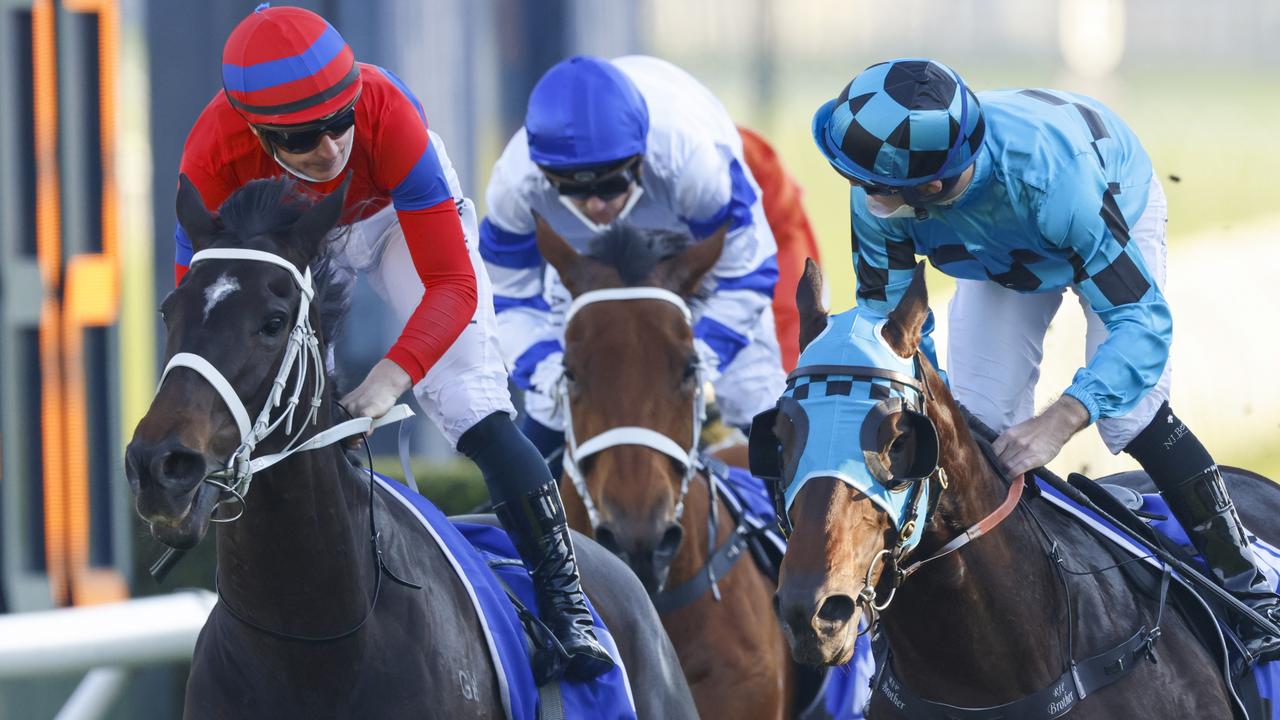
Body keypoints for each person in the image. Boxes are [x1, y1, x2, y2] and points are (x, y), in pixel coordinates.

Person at [173, 4, 611, 682]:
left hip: (397, 221)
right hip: (291, 237)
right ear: (254, 132)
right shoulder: (210, 153)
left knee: (470, 402)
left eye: (340, 121)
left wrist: (391, 377)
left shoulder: (386, 111)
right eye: (302, 138)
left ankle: (566, 602)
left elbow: (452, 288)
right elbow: (195, 325)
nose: (331, 150)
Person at [811, 58, 1280, 662]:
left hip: (1104, 201)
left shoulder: (1057, 186)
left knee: (1130, 412)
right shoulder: (880, 196)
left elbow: (1143, 324)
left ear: (929, 187)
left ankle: (1246, 577)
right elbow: (892, 330)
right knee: (973, 426)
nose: (858, 190)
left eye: (870, 182)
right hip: (995, 247)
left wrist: (1060, 419)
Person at [481, 54, 785, 459]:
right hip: (588, 263)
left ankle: (796, 515)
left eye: (610, 185)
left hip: (690, 246)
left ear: (640, 160)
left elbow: (747, 274)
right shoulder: (515, 185)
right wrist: (550, 370)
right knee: (554, 405)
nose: (595, 207)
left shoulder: (693, 164)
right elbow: (508, 298)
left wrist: (698, 357)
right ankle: (523, 522)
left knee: (753, 393)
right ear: (544, 174)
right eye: (571, 189)